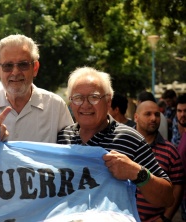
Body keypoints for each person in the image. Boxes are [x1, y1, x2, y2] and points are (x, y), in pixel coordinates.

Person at [57, 67, 173, 209]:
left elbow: (167, 199)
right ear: (71, 103)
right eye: (78, 98)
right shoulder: (62, 138)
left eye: (94, 97)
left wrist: (136, 172)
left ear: (108, 102)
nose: (85, 105)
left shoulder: (130, 138)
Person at [134, 100, 185, 221]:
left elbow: (178, 186)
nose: (153, 118)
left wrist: (165, 217)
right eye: (148, 114)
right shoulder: (122, 143)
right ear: (136, 117)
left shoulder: (170, 151)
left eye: (157, 115)